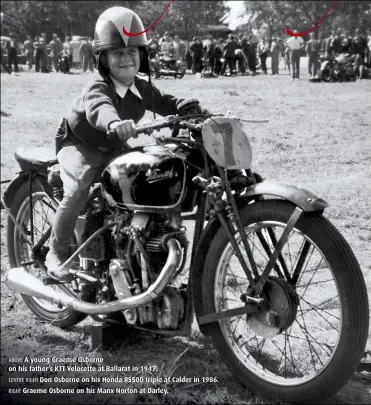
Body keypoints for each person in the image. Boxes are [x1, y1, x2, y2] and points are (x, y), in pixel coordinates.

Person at [45, 6, 210, 281]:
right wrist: (112, 123)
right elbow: (100, 108)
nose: (126, 58)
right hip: (80, 144)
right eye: (118, 53)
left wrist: (185, 106)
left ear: (141, 56)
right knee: (80, 187)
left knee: (142, 178)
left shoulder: (141, 86)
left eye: (132, 52)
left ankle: (127, 245)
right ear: (104, 59)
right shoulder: (98, 86)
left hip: (112, 147)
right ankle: (57, 252)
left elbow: (162, 100)